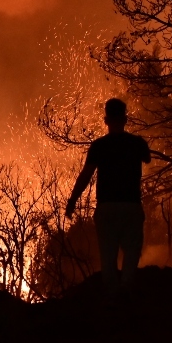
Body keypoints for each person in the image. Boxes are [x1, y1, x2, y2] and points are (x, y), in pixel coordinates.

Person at [65, 98, 151, 299]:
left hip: (107, 207)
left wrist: (72, 201)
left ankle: (112, 296)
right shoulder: (137, 144)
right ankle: (126, 289)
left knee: (108, 254)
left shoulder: (99, 146)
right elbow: (147, 158)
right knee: (132, 250)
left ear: (106, 120)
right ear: (125, 119)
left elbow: (85, 176)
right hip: (130, 205)